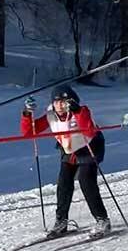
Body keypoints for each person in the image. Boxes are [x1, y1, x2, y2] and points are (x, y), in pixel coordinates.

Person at [21, 84, 111, 239]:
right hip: (69, 151)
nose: (59, 105)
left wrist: (77, 111)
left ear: (71, 101)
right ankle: (61, 221)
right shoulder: (51, 115)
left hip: (89, 147)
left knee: (86, 182)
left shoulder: (82, 111)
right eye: (56, 102)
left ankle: (102, 220)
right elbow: (29, 132)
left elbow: (88, 130)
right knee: (63, 184)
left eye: (63, 101)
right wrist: (27, 113)